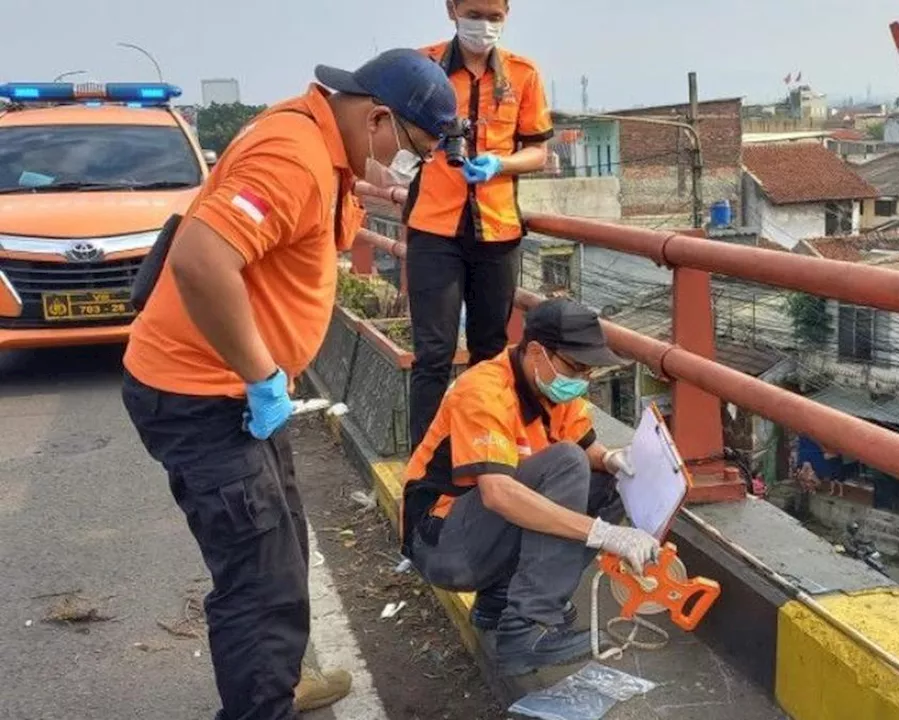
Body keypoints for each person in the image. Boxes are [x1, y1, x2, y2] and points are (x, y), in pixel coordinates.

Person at [121, 49, 457, 720]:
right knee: (257, 579)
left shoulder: (320, 141)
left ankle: (276, 680)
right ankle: (259, 706)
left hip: (234, 394)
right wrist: (262, 374)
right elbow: (201, 258)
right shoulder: (294, 156)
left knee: (284, 544)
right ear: (378, 118)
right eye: (413, 149)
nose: (409, 163)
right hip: (204, 394)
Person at [399, 297, 658, 677]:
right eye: (577, 367)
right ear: (537, 351)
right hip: (440, 541)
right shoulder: (484, 390)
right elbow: (498, 493)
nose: (583, 380)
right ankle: (526, 629)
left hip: (480, 535)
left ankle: (500, 602)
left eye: (590, 371)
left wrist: (611, 460)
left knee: (608, 483)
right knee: (566, 463)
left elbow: (586, 447)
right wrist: (601, 534)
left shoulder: (552, 387)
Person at [403, 0, 556, 450]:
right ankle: (426, 461)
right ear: (451, 9)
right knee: (433, 353)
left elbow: (539, 151)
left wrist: (500, 164)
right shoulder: (424, 66)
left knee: (490, 351)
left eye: (494, 16)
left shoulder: (522, 74)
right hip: (434, 230)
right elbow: (394, 135)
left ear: (507, 14)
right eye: (474, 13)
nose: (483, 25)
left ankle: (482, 450)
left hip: (497, 231)